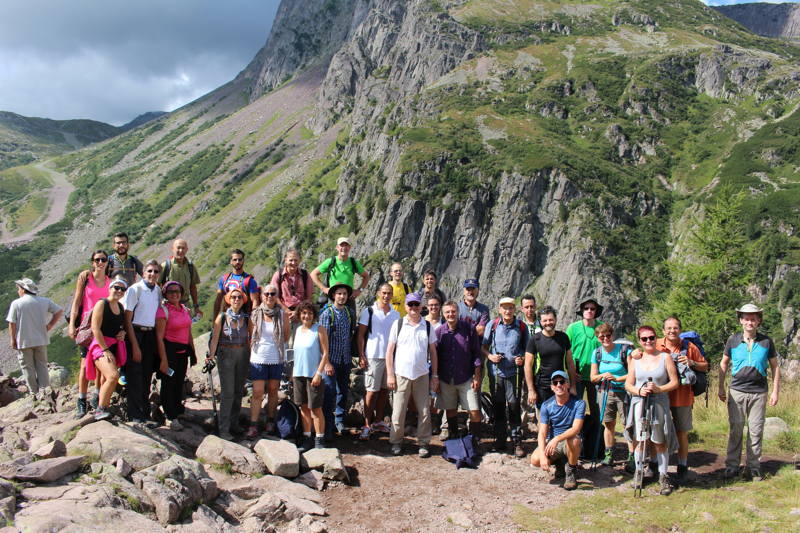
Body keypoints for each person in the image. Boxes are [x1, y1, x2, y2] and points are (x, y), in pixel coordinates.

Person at [719, 304, 781, 482]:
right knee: (736, 429)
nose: (750, 322)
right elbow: (723, 363)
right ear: (741, 320)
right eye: (746, 318)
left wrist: (775, 392)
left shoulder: (766, 342)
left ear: (759, 321)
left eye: (753, 318)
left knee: (756, 430)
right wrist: (721, 387)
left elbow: (775, 367)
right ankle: (732, 466)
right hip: (736, 391)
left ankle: (753, 468)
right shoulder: (733, 340)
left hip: (759, 392)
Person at [625, 325, 679, 496]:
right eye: (644, 339)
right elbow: (628, 384)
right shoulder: (636, 360)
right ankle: (639, 472)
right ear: (639, 341)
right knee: (640, 439)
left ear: (656, 338)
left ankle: (663, 476)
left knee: (659, 440)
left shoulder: (665, 357)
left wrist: (659, 389)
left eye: (651, 337)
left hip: (659, 403)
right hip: (639, 403)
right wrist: (639, 391)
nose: (648, 341)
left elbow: (675, 382)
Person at [657, 316, 708, 484]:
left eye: (675, 328)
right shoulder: (656, 344)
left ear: (680, 330)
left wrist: (692, 362)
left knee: (682, 432)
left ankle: (682, 466)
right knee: (657, 431)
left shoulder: (689, 346)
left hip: (683, 395)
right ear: (663, 331)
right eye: (669, 328)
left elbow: (705, 366)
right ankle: (655, 464)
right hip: (661, 394)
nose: (672, 331)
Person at [386, 293, 439, 457]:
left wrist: (435, 376)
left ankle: (423, 443)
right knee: (398, 410)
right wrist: (390, 375)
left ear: (421, 307)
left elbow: (433, 352)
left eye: (417, 304)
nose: (414, 308)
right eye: (411, 305)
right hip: (401, 373)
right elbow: (389, 351)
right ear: (406, 307)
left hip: (422, 374)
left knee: (424, 411)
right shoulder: (398, 324)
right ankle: (396, 442)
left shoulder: (427, 326)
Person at [483, 297, 529, 456]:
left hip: (514, 374)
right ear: (500, 309)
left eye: (510, 308)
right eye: (504, 308)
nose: (507, 311)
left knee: (514, 406)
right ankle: (500, 440)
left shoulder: (521, 327)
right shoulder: (493, 325)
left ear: (514, 309)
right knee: (498, 407)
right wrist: (490, 356)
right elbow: (484, 346)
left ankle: (517, 441)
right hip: (496, 373)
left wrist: (521, 357)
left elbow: (527, 348)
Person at [68, 249, 111, 417]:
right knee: (85, 365)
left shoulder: (110, 281)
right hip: (87, 326)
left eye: (103, 260)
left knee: (100, 365)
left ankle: (97, 395)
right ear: (92, 262)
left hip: (103, 327)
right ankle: (81, 400)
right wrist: (72, 324)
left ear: (108, 262)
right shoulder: (86, 279)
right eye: (97, 260)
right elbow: (77, 301)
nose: (100, 263)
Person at [122, 259, 165, 425]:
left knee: (147, 375)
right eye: (149, 271)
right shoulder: (135, 290)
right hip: (136, 332)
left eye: (155, 271)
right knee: (135, 375)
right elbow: (127, 318)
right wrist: (134, 344)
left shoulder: (157, 291)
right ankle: (135, 414)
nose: (152, 274)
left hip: (150, 334)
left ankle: (145, 414)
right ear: (144, 272)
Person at [6, 278, 63, 399]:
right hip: (41, 338)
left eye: (19, 288)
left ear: (23, 289)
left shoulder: (17, 303)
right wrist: (50, 325)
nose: (18, 291)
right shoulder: (44, 301)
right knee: (42, 365)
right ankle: (46, 391)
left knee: (28, 367)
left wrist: (12, 339)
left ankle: (34, 393)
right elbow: (59, 311)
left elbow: (12, 323)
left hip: (24, 340)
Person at [247, 285, 290, 439]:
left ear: (277, 296)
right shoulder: (255, 314)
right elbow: (250, 335)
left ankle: (270, 421)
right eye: (266, 294)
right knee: (258, 392)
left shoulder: (283, 315)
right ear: (262, 296)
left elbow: (286, 336)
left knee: (273, 390)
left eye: (273, 294)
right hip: (258, 357)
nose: (269, 296)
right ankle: (253, 424)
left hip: (276, 357)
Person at [208, 288, 251, 440]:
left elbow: (250, 339)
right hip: (225, 354)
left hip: (243, 353)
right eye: (233, 297)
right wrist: (211, 356)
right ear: (228, 299)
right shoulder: (222, 317)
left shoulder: (246, 318)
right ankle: (224, 428)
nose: (236, 300)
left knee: (239, 391)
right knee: (228, 393)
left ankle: (234, 424)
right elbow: (214, 338)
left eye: (239, 297)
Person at [357, 284, 399, 440]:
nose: (386, 296)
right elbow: (360, 335)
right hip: (373, 356)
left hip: (389, 358)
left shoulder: (395, 315)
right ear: (378, 293)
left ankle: (379, 421)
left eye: (389, 293)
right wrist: (362, 355)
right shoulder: (369, 311)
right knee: (371, 391)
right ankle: (367, 425)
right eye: (384, 293)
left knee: (383, 391)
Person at [530, 371, 585, 491]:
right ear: (552, 387)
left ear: (568, 384)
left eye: (562, 382)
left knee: (574, 440)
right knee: (535, 460)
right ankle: (560, 463)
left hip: (569, 440)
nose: (559, 385)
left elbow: (576, 429)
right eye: (555, 383)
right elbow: (542, 432)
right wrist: (543, 455)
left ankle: (571, 471)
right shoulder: (546, 405)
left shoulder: (579, 403)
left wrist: (557, 439)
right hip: (553, 442)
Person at [436, 300, 482, 441]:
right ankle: (454, 436)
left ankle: (474, 439)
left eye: (453, 311)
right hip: (446, 377)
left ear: (458, 313)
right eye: (447, 312)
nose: (451, 314)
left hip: (466, 377)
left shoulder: (469, 328)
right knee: (450, 409)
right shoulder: (439, 332)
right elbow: (435, 357)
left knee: (474, 410)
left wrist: (477, 376)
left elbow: (476, 353)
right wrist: (435, 378)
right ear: (443, 315)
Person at [589, 323, 633, 468]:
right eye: (602, 337)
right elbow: (593, 377)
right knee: (608, 424)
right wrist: (603, 375)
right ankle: (609, 455)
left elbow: (633, 373)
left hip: (624, 391)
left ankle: (632, 457)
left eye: (608, 335)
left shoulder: (624, 350)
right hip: (605, 392)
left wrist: (616, 378)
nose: (606, 339)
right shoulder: (597, 353)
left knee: (628, 425)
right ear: (598, 338)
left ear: (612, 335)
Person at [566, 298, 605, 460]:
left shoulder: (601, 328)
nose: (589, 311)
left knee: (597, 411)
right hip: (577, 376)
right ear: (582, 311)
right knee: (576, 410)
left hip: (596, 377)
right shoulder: (573, 328)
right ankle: (577, 445)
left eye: (592, 308)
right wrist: (569, 372)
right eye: (586, 308)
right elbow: (566, 350)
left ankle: (595, 447)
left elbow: (607, 348)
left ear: (596, 311)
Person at [85, 277, 128, 421]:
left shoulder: (121, 307)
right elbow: (95, 328)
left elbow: (120, 327)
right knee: (113, 376)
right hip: (100, 346)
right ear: (110, 288)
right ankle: (100, 409)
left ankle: (104, 408)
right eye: (116, 287)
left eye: (122, 289)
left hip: (114, 345)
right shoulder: (102, 304)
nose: (119, 291)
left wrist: (123, 333)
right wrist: (105, 349)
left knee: (106, 379)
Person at [155, 281, 195, 430]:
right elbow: (159, 337)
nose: (175, 294)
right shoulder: (163, 311)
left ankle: (178, 410)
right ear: (165, 294)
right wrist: (163, 359)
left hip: (183, 351)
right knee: (168, 384)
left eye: (177, 291)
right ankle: (170, 416)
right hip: (169, 350)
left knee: (179, 382)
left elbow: (188, 330)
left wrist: (192, 350)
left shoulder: (184, 308)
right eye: (171, 291)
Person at [319, 284, 355, 439]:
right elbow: (322, 340)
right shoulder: (327, 314)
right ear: (333, 296)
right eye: (339, 293)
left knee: (343, 392)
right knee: (328, 393)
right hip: (331, 360)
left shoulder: (349, 313)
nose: (342, 296)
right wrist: (326, 362)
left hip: (345, 359)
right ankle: (327, 426)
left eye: (344, 294)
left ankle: (339, 421)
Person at [292, 301, 329, 451]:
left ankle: (319, 439)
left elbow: (326, 353)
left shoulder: (319, 329)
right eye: (304, 313)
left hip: (313, 375)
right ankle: (307, 437)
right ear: (300, 315)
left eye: (309, 313)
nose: (306, 316)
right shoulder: (298, 330)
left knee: (316, 408)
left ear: (314, 315)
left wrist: (319, 373)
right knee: (303, 407)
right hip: (298, 374)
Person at [524, 306, 576, 410]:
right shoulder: (534, 339)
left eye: (551, 320)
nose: (548, 323)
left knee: (562, 415)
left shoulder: (563, 337)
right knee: (543, 418)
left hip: (561, 384)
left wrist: (573, 386)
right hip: (542, 386)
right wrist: (531, 390)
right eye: (545, 320)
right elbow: (527, 365)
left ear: (556, 319)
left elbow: (570, 363)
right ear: (540, 321)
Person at [310, 237, 370, 308]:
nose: (344, 248)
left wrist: (359, 290)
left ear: (350, 247)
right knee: (332, 318)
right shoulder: (330, 262)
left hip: (349, 300)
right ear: (337, 247)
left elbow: (366, 276)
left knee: (350, 319)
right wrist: (324, 289)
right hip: (333, 300)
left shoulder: (353, 263)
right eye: (342, 245)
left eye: (346, 245)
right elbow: (313, 274)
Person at [159, 238, 202, 319]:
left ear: (187, 250)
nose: (181, 250)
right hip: (169, 307)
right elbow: (157, 286)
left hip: (186, 306)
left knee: (186, 330)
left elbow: (193, 287)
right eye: (178, 247)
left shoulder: (190, 267)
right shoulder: (165, 266)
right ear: (172, 249)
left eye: (183, 248)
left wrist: (196, 306)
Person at [270, 249, 313, 324]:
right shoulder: (278, 275)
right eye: (291, 260)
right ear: (285, 260)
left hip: (301, 314)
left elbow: (308, 298)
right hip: (282, 314)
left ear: (299, 260)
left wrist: (297, 312)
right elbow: (275, 297)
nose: (293, 263)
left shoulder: (305, 275)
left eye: (296, 260)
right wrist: (287, 311)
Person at [213, 249, 259, 317]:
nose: (238, 262)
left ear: (243, 261)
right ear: (230, 261)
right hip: (227, 318)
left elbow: (255, 301)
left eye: (240, 259)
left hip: (244, 319)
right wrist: (215, 320)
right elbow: (218, 301)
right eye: (235, 260)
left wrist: (253, 321)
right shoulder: (224, 279)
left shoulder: (249, 281)